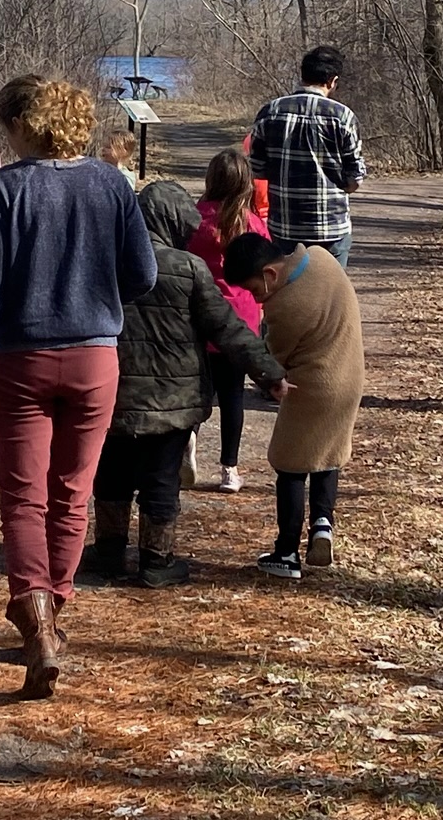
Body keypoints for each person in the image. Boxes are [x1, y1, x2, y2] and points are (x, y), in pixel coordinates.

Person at [0, 75, 154, 698]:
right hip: (95, 358)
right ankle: (54, 612)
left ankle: (32, 614)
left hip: (23, 359)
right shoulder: (111, 184)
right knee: (73, 492)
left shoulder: (8, 186)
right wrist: (95, 297)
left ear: (21, 127)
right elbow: (142, 275)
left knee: (22, 496)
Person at [87, 181, 286, 588]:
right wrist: (271, 374)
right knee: (162, 480)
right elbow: (229, 329)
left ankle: (108, 553)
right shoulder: (188, 268)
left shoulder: (102, 262)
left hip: (111, 392)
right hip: (173, 400)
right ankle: (156, 561)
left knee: (111, 474)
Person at [224, 234, 363, 582]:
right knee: (327, 453)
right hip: (350, 378)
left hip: (312, 386)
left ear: (270, 274)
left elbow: (276, 361)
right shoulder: (320, 258)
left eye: (254, 290)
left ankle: (286, 552)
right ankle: (322, 525)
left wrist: (267, 376)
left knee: (289, 464)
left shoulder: (285, 307)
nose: (256, 298)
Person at [187, 146, 269, 492]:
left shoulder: (195, 218)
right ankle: (229, 469)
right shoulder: (252, 224)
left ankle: (187, 441)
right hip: (240, 321)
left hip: (200, 317)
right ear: (245, 183)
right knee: (233, 395)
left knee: (196, 390)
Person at [248, 46, 367, 266]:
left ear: (302, 75)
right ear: (332, 80)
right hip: (331, 228)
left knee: (287, 291)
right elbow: (355, 178)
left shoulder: (270, 112)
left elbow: (256, 168)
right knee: (331, 294)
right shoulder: (343, 116)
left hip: (284, 226)